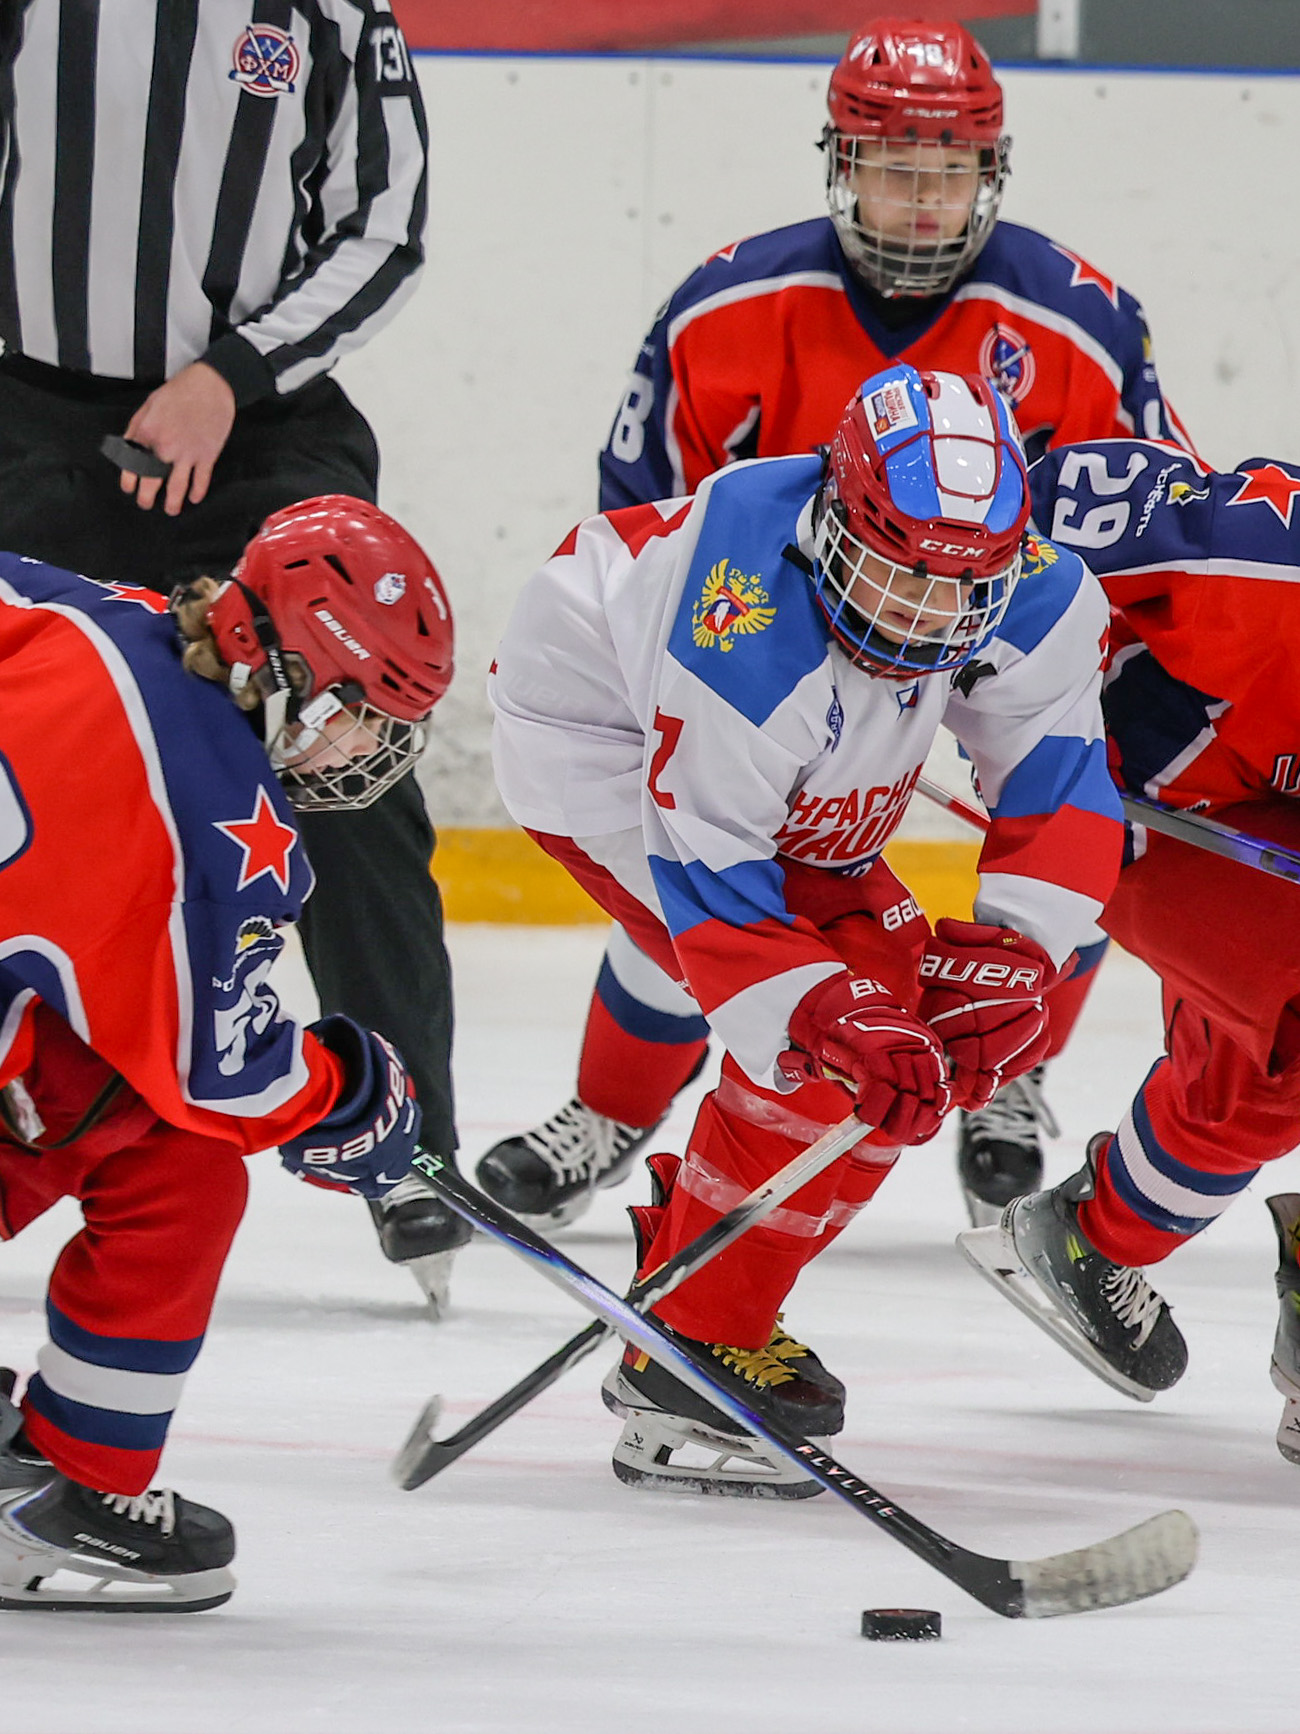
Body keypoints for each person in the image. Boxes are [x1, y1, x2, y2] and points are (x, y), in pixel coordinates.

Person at [475, 15, 1192, 1235]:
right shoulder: (727, 306)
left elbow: (1141, 520)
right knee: (698, 846)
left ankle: (1006, 1066)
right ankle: (612, 1110)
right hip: (771, 643)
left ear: (992, 174)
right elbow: (650, 518)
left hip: (990, 626)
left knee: (1083, 823)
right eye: (893, 169)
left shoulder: (1080, 322)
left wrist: (1090, 701)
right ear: (839, 162)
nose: (922, 203)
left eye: (950, 173)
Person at [489, 364, 1124, 1493]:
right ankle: (689, 1343)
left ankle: (701, 1305)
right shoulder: (739, 628)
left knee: (908, 1051)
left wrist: (1020, 954)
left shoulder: (1028, 586)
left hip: (769, 771)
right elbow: (713, 862)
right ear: (835, 520)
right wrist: (826, 1011)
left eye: (959, 587)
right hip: (607, 747)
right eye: (899, 574)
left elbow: (1060, 773)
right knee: (832, 1052)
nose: (926, 615)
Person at [0, 2, 468, 1296]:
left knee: (351, 748)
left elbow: (384, 226)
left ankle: (410, 1145)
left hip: (259, 427)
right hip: (29, 415)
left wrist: (230, 376)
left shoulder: (330, 11)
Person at [0, 495, 454, 1611]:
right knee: (179, 1159)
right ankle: (77, 1488)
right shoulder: (209, 816)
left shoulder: (98, 610)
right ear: (291, 674)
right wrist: (355, 1096)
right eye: (359, 713)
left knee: (63, 1068)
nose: (367, 749)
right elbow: (227, 1082)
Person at [959, 435, 1300, 1456]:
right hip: (1144, 799)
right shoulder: (1261, 557)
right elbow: (1025, 513)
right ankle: (1097, 1235)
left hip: (1264, 810)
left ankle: (1092, 1238)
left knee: (1263, 1074)